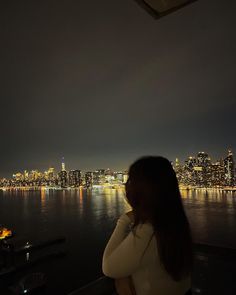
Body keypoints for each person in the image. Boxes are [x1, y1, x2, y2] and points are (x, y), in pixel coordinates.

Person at [102, 156, 193, 295]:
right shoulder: (176, 224)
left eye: (131, 180)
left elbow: (108, 267)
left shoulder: (148, 231)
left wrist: (124, 220)